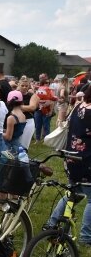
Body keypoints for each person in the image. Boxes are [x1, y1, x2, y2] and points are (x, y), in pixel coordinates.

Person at [47, 85, 91, 246]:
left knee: (73, 193)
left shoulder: (79, 105)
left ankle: (52, 224)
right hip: (87, 160)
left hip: (72, 158)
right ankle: (86, 236)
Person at [34, 76, 58, 142]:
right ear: (43, 83)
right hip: (39, 109)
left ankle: (46, 140)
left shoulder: (48, 90)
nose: (48, 84)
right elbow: (34, 99)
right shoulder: (39, 90)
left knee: (45, 125)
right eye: (46, 82)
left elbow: (53, 100)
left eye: (48, 83)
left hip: (46, 109)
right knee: (39, 125)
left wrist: (50, 110)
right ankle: (38, 139)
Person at [3, 90, 27, 155]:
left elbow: (8, 137)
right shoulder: (23, 115)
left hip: (10, 147)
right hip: (17, 144)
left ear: (8, 101)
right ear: (21, 102)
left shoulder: (11, 118)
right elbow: (15, 130)